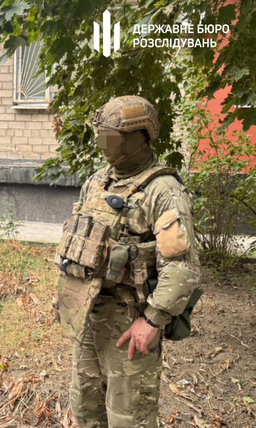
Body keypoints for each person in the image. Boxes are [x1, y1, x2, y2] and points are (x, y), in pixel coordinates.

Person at [54, 96, 200, 427]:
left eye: (112, 137)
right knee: (85, 412)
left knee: (129, 418)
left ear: (139, 137)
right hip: (88, 319)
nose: (102, 143)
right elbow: (78, 244)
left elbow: (182, 267)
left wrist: (151, 321)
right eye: (101, 135)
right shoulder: (97, 181)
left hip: (130, 325)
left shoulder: (163, 191)